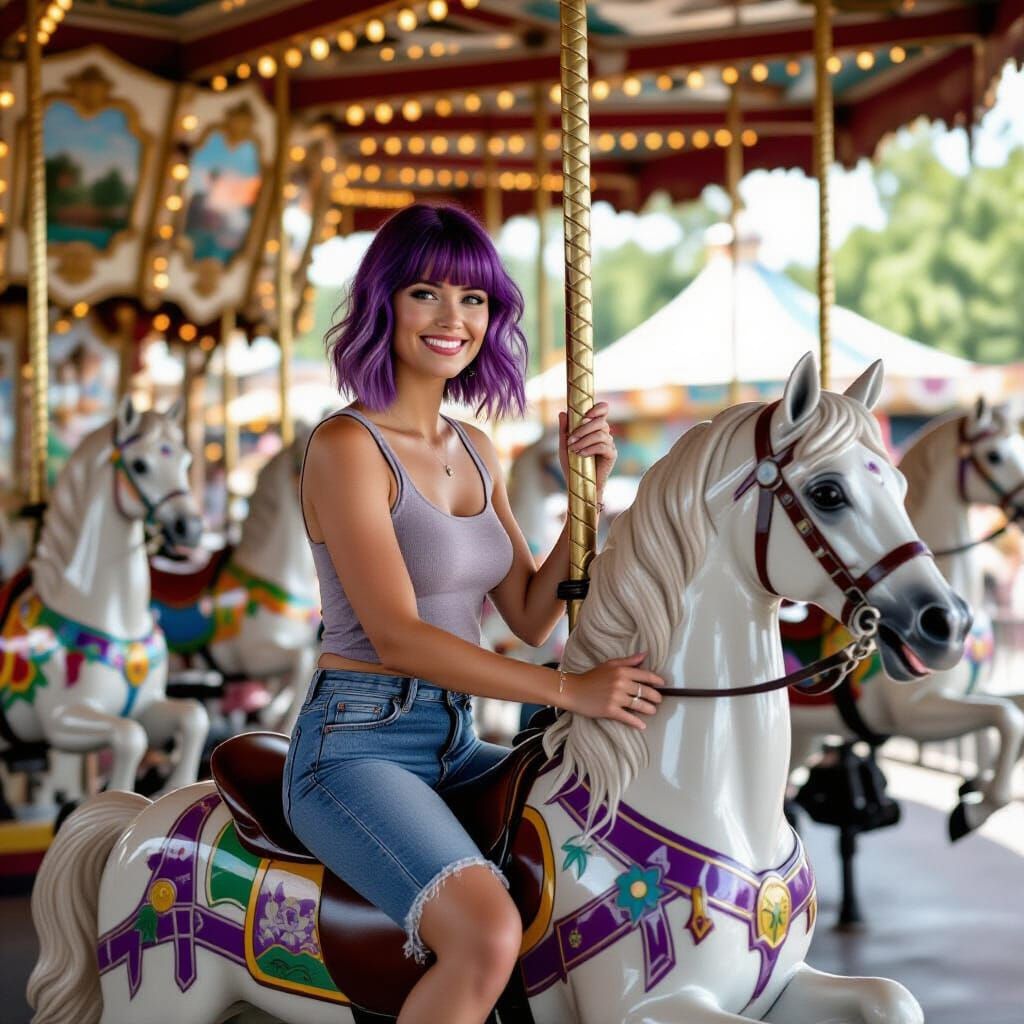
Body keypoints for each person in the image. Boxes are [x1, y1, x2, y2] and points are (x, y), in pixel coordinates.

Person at [284, 203, 664, 1024]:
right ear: (385, 302)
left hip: (455, 739)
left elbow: (529, 611)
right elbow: (399, 636)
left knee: (593, 851)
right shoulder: (347, 447)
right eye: (426, 293)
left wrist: (579, 494)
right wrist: (571, 689)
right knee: (488, 932)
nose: (453, 318)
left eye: (475, 299)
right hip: (356, 746)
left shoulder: (475, 449)